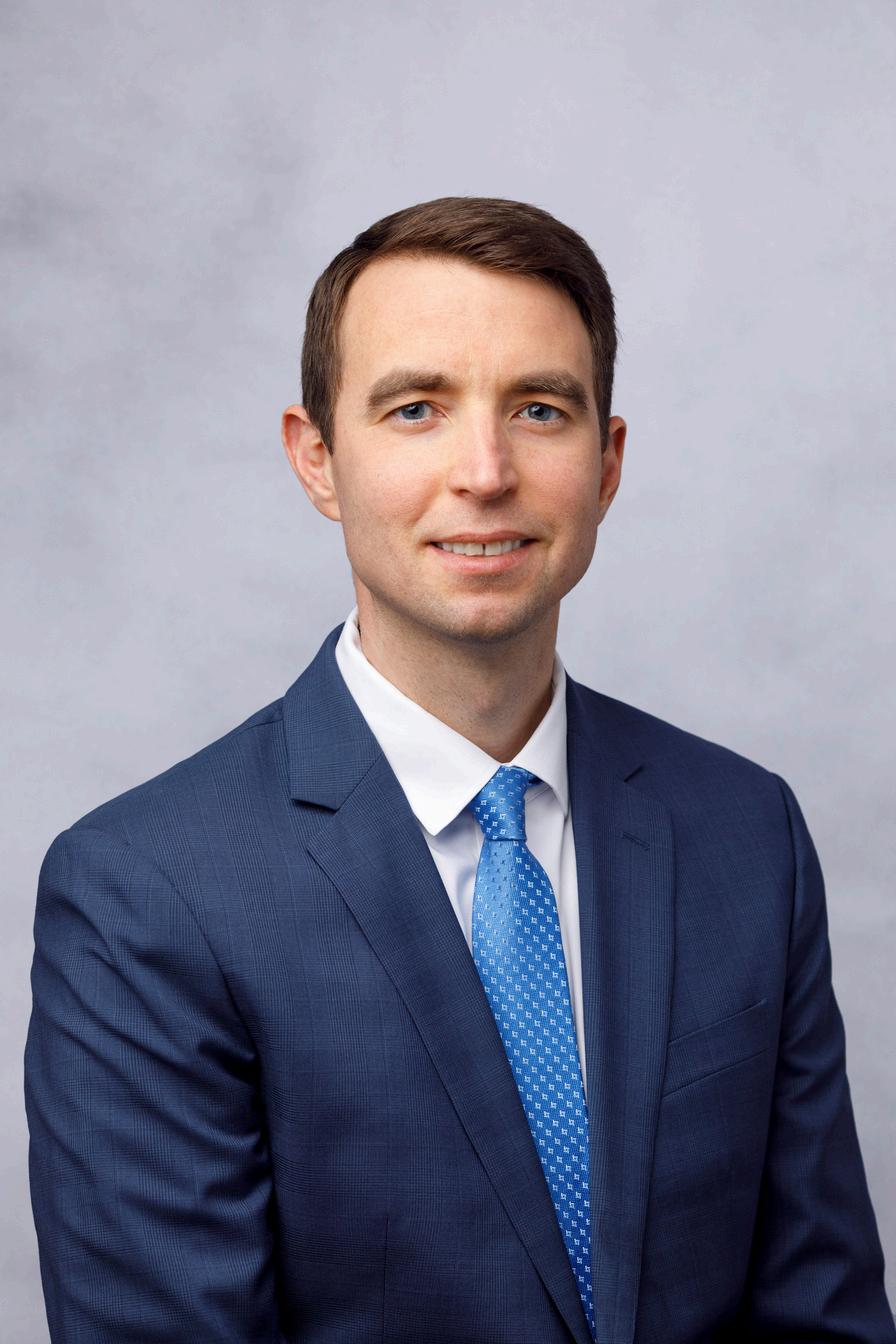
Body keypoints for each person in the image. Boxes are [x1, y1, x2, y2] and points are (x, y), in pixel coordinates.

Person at [24, 195, 895, 1343]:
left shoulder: (743, 832)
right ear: (317, 459)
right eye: (415, 409)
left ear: (605, 462)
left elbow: (824, 1316)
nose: (483, 472)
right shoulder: (144, 891)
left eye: (538, 409)